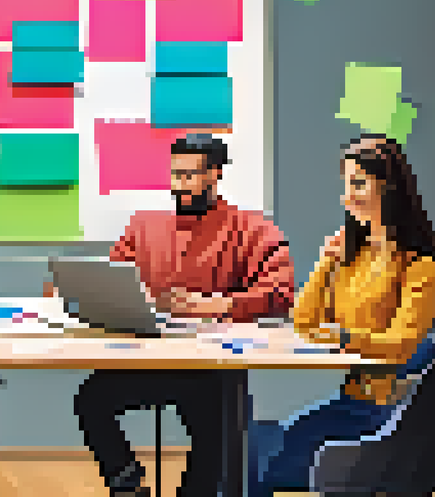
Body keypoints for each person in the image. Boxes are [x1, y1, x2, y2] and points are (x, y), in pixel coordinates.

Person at [74, 133, 296, 497]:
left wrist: (216, 305)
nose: (180, 185)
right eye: (175, 174)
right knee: (91, 398)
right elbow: (111, 278)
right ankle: (126, 479)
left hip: (211, 368)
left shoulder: (251, 228)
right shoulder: (144, 226)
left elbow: (280, 294)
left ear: (215, 174)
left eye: (190, 175)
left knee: (214, 431)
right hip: (151, 359)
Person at [249, 135, 435, 497]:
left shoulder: (423, 269)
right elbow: (304, 322)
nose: (347, 197)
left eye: (358, 183)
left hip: (389, 414)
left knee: (267, 456)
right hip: (353, 402)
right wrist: (326, 262)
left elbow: (401, 346)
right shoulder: (352, 259)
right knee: (253, 446)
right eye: (346, 185)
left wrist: (343, 337)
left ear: (388, 188)